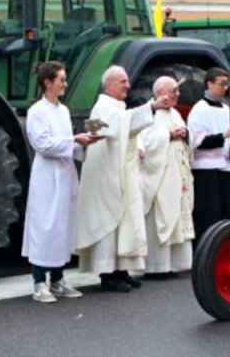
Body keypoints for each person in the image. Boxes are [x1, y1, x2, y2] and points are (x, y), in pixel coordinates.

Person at [74, 65, 172, 292]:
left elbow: (123, 125)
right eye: (122, 81)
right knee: (111, 220)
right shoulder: (103, 106)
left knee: (124, 220)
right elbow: (106, 129)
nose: (127, 85)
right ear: (108, 85)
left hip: (122, 172)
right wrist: (150, 107)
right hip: (108, 176)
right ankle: (108, 274)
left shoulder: (116, 106)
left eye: (127, 81)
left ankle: (121, 269)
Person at [22, 61, 97, 303]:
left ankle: (57, 279)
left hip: (64, 174)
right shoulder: (37, 112)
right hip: (47, 176)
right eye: (61, 80)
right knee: (44, 226)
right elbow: (42, 145)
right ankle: (38, 282)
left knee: (62, 225)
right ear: (48, 83)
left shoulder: (63, 111)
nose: (65, 84)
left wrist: (84, 145)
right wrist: (74, 140)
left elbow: (67, 143)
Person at [138, 76, 194, 279]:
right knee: (160, 217)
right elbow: (142, 142)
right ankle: (156, 266)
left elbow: (189, 139)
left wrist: (185, 134)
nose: (177, 94)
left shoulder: (176, 113)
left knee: (178, 217)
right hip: (160, 176)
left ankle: (174, 264)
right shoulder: (147, 113)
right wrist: (167, 135)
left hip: (178, 175)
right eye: (173, 90)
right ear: (160, 92)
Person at [188, 67, 230, 241]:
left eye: (227, 84)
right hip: (206, 170)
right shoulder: (199, 110)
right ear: (209, 84)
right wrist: (223, 136)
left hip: (226, 168)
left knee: (227, 212)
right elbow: (196, 141)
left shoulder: (227, 110)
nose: (225, 88)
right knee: (209, 215)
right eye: (222, 84)